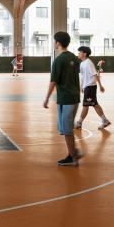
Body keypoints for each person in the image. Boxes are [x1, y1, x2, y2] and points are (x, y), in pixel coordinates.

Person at [43, 31, 81, 167]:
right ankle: (74, 151)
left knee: (67, 130)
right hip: (75, 97)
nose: (54, 43)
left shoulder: (58, 60)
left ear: (58, 43)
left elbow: (53, 81)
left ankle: (72, 158)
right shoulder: (74, 58)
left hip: (66, 99)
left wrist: (46, 98)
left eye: (55, 41)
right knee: (67, 127)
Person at [74, 46, 111, 131]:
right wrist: (81, 86)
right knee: (94, 104)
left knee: (86, 105)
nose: (78, 54)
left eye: (80, 52)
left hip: (90, 86)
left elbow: (95, 75)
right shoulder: (82, 63)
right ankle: (105, 120)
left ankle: (79, 123)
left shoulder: (88, 63)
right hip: (87, 87)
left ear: (84, 54)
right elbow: (83, 76)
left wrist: (100, 86)